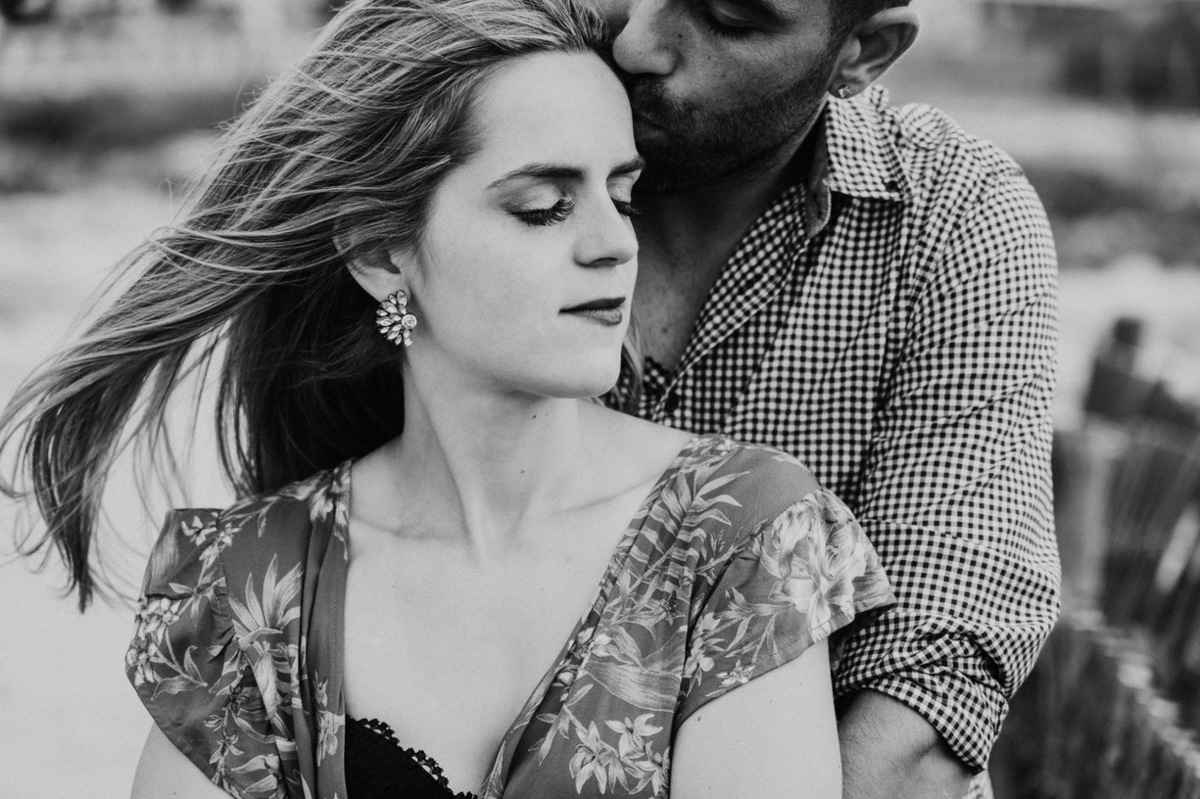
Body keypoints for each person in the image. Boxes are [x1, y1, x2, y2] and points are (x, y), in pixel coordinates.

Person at [0, 0, 894, 797]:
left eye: (622, 197)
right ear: (380, 251)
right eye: (544, 206)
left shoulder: (740, 537)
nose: (615, 244)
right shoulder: (251, 581)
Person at [587, 1, 1062, 798]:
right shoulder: (469, 140)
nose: (635, 42)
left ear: (862, 52)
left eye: (727, 16)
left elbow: (922, 702)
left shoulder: (951, 217)